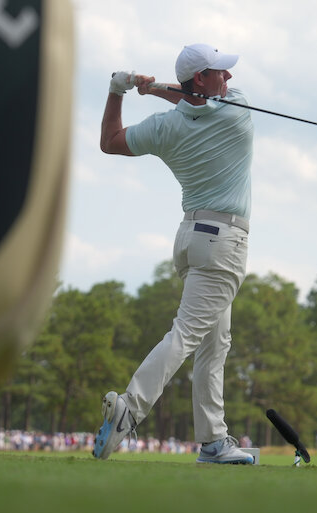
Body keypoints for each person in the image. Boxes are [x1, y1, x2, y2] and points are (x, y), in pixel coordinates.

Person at [92, 44, 254, 464]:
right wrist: (155, 89)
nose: (229, 78)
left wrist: (118, 91)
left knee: (214, 344)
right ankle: (130, 406)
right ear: (201, 78)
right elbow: (198, 104)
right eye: (220, 71)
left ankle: (214, 442)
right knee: (186, 334)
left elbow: (110, 141)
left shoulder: (164, 127)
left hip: (190, 240)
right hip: (224, 243)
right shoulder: (238, 112)